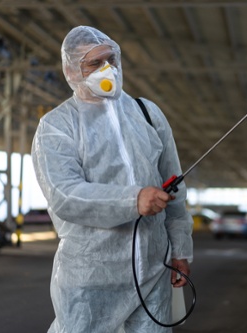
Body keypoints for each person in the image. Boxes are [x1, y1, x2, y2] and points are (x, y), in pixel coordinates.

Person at [31, 26, 194, 333]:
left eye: (111, 60)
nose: (107, 69)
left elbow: (175, 187)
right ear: (72, 70)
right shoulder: (57, 126)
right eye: (94, 64)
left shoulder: (148, 114)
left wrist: (180, 250)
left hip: (153, 273)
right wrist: (133, 200)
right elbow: (64, 194)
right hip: (92, 277)